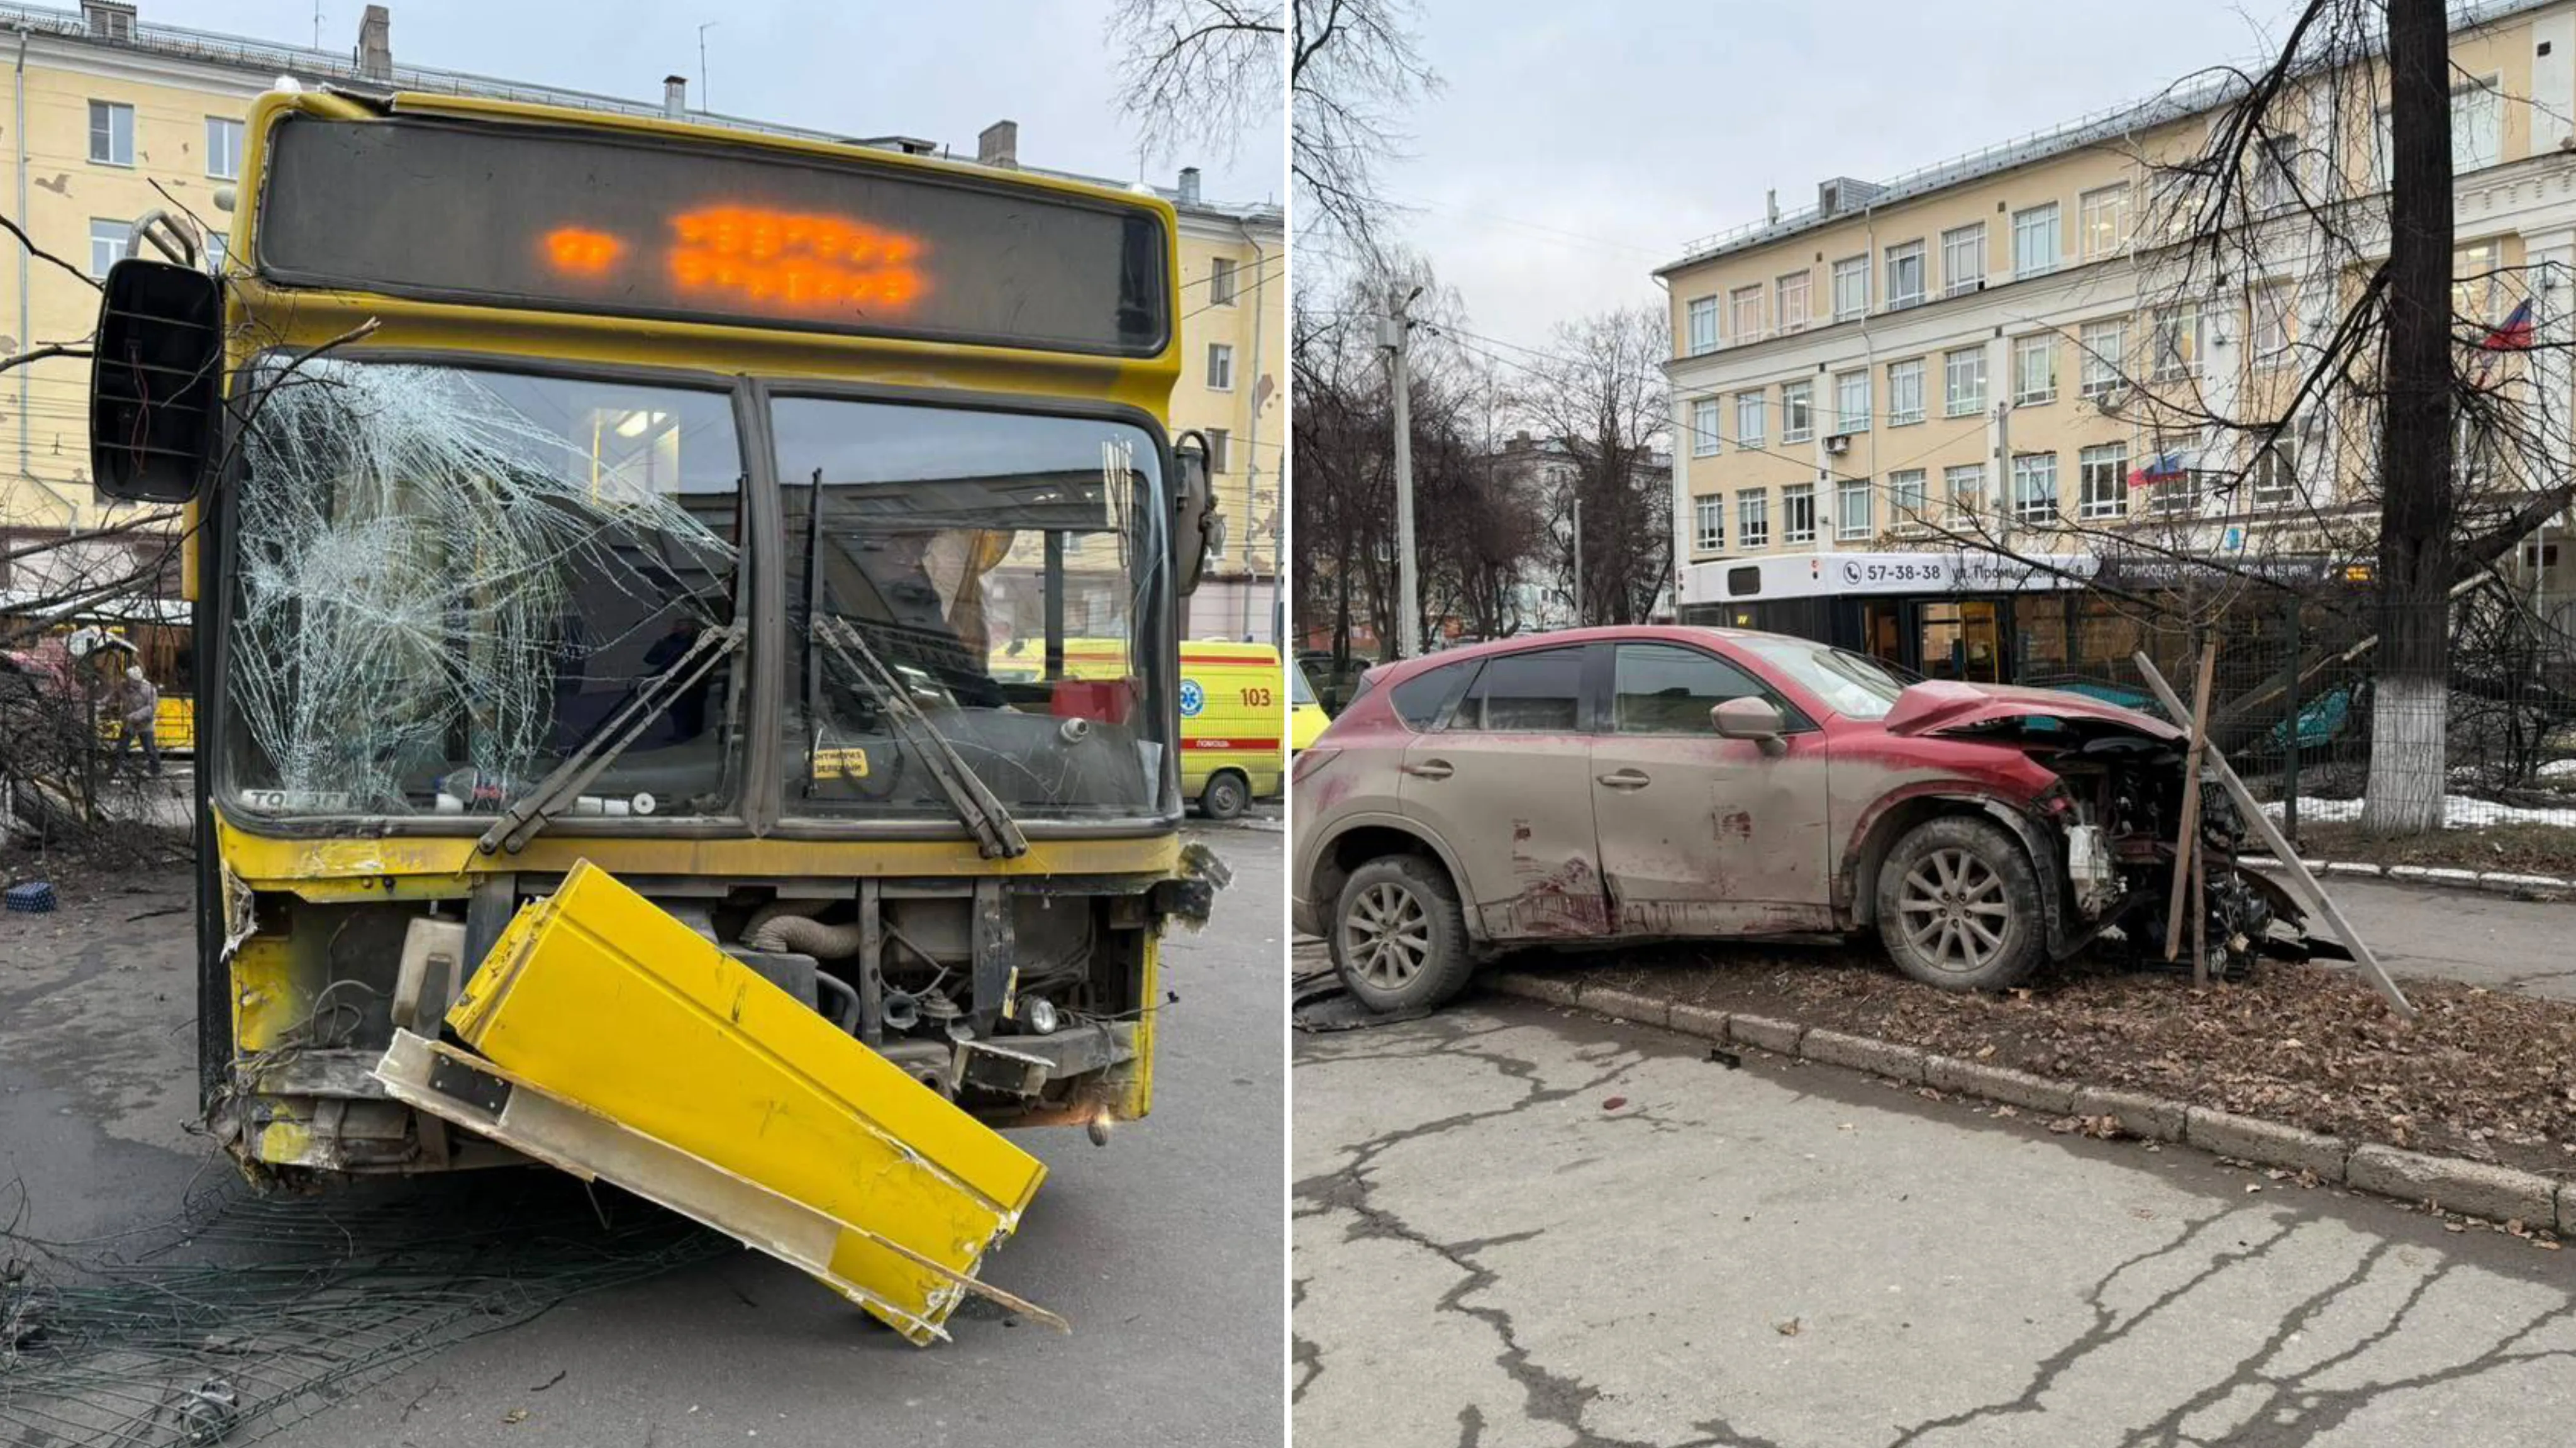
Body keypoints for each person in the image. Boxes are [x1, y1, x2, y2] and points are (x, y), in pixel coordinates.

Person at [114, 665, 160, 777]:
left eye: (137, 681)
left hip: (144, 723)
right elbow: (114, 696)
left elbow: (151, 708)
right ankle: (117, 768)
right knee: (122, 747)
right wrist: (104, 703)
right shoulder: (122, 686)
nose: (135, 684)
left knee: (149, 748)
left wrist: (134, 716)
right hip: (129, 723)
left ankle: (155, 770)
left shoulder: (149, 689)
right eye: (132, 681)